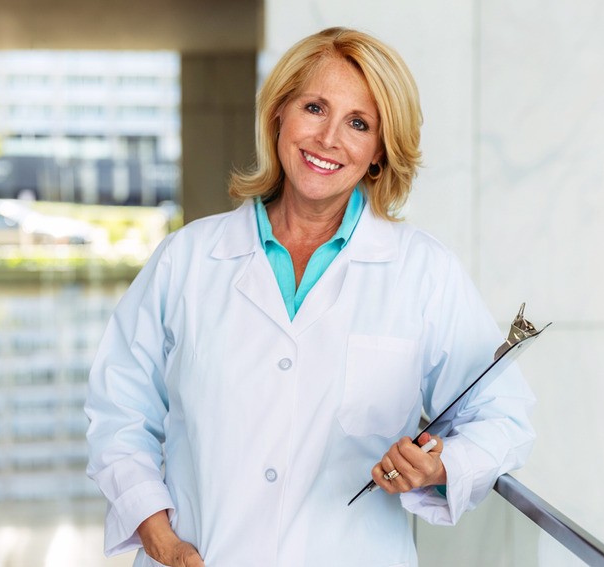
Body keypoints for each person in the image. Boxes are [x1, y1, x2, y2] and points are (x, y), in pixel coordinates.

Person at [85, 27, 535, 567]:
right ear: (279, 114)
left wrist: (441, 466)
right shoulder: (186, 260)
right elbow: (119, 412)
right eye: (315, 107)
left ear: (377, 153)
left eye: (358, 123)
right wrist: (161, 540)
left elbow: (503, 417)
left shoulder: (423, 272)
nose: (328, 139)